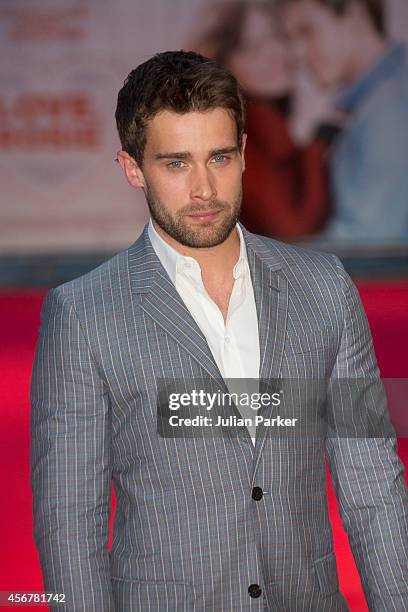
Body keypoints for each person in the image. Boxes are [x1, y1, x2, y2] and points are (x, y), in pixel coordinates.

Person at [30, 50, 408, 611]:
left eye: (220, 157)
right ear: (133, 167)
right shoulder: (83, 314)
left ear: (245, 154)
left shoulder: (324, 288)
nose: (204, 188)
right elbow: (69, 526)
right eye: (176, 163)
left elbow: (373, 484)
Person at [186, 0, 331, 240]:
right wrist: (317, 150)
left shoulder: (271, 122)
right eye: (252, 47)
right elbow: (292, 229)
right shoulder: (241, 132)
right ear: (222, 62)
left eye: (279, 37)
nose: (274, 53)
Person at [280, 0, 408, 242]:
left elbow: (368, 241)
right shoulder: (378, 100)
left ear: (353, 12)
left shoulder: (388, 107)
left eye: (306, 31)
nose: (297, 54)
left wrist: (274, 262)